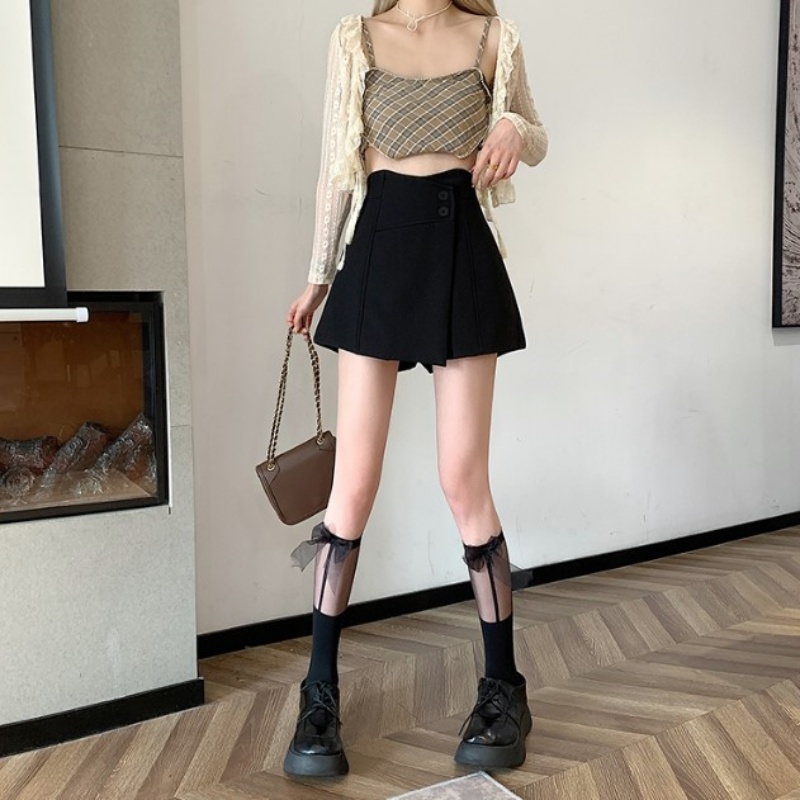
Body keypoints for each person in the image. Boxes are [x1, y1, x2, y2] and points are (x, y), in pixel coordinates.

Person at [283, 0, 548, 779]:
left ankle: (503, 687)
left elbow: (536, 135)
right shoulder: (355, 39)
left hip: (461, 247)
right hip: (379, 246)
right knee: (352, 487)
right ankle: (319, 693)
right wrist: (317, 276)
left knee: (463, 480)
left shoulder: (494, 37)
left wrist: (512, 128)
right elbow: (335, 162)